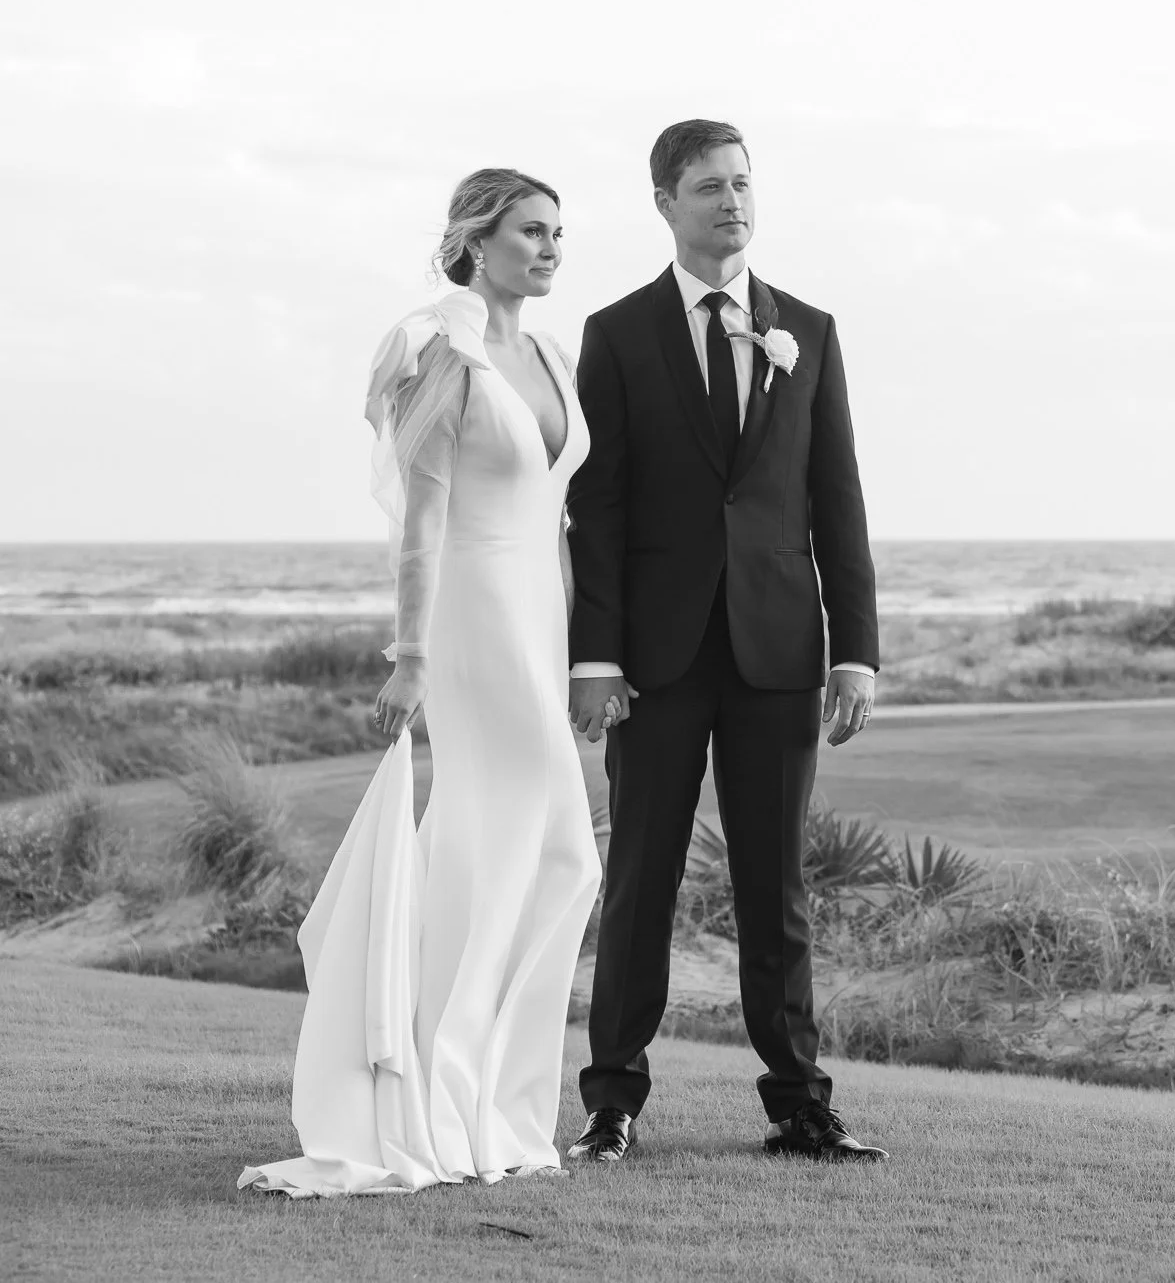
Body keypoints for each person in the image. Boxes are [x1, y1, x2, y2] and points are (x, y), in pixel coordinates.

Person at [240, 169, 600, 1197]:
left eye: (558, 233)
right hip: (472, 615)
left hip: (540, 614)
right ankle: (441, 1104)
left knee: (529, 856)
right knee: (550, 848)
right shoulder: (440, 350)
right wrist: (410, 655)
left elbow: (556, 514)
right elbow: (423, 520)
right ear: (476, 242)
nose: (550, 248)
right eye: (530, 231)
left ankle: (498, 1108)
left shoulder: (552, 354)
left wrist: (584, 649)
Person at [564, 119, 885, 1163]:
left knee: (775, 888)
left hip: (778, 654)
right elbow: (597, 506)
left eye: (742, 182)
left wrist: (855, 650)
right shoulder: (616, 334)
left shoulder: (810, 331)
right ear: (665, 201)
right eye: (708, 186)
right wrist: (595, 655)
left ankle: (800, 1104)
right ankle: (611, 1103)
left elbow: (837, 499)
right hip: (655, 661)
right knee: (640, 881)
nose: (731, 201)